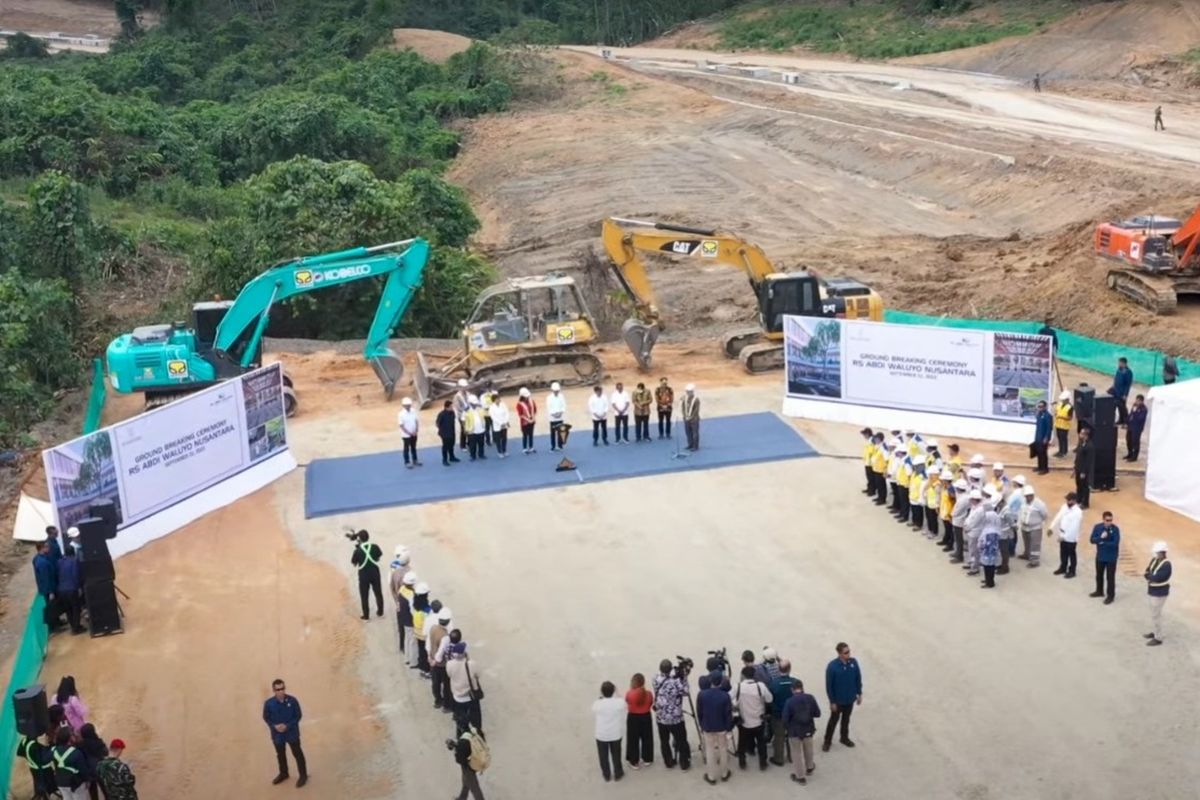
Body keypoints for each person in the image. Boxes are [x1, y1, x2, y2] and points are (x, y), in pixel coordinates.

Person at [263, 679, 307, 787]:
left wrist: (287, 726)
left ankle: (303, 775)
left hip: (292, 733)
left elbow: (298, 715)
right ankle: (284, 773)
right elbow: (266, 717)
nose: (280, 691)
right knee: (280, 754)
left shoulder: (292, 701)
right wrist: (274, 726)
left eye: (282, 689)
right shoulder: (269, 704)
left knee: (297, 754)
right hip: (278, 735)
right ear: (274, 690)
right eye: (278, 689)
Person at [650, 660, 690, 770]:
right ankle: (684, 763)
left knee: (664, 741)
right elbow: (686, 692)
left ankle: (668, 762)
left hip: (661, 717)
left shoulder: (655, 678)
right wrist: (684, 678)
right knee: (681, 740)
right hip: (676, 718)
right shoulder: (676, 682)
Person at [822, 642, 862, 752]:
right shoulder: (832, 667)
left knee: (846, 720)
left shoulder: (853, 662)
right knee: (833, 721)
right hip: (838, 701)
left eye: (849, 651)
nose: (849, 654)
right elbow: (829, 686)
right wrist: (832, 701)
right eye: (846, 652)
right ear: (839, 654)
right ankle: (827, 741)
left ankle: (844, 738)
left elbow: (858, 678)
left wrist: (859, 693)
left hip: (850, 699)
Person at [732, 665, 773, 771]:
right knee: (761, 743)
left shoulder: (738, 687)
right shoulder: (760, 686)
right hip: (759, 721)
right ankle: (763, 763)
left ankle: (742, 762)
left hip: (744, 721)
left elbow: (728, 697)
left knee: (742, 743)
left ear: (743, 676)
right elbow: (769, 699)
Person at [696, 670, 732, 785]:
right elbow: (728, 714)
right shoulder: (725, 696)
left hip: (708, 726)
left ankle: (711, 776)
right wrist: (728, 728)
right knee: (723, 749)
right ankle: (724, 773)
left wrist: (702, 724)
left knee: (710, 750)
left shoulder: (702, 694)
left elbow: (699, 712)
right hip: (721, 727)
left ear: (710, 680)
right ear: (721, 681)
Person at [783, 680, 821, 785]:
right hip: (808, 729)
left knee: (796, 753)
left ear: (792, 690)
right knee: (808, 749)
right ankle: (809, 768)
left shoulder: (789, 702)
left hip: (795, 731)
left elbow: (785, 719)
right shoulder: (810, 698)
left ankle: (800, 777)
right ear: (802, 688)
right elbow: (818, 714)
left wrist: (788, 728)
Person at [446, 637, 484, 734]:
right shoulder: (471, 664)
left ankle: (462, 734)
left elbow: (449, 675)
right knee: (475, 718)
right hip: (470, 696)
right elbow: (478, 675)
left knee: (461, 719)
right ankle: (477, 734)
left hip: (457, 697)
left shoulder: (449, 664)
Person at [592, 681, 625, 782]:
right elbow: (623, 702)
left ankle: (606, 774)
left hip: (601, 735)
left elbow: (594, 708)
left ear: (602, 692)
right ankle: (618, 773)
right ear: (613, 691)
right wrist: (617, 692)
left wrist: (601, 696)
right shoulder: (619, 702)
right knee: (616, 754)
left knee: (603, 756)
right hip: (615, 734)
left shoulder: (597, 704)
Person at [768, 658, 798, 766]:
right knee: (792, 736)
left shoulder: (773, 684)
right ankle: (792, 756)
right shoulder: (795, 682)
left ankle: (779, 758)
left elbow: (769, 700)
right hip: (792, 715)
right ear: (789, 669)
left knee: (779, 737)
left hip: (778, 715)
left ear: (778, 669)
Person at [350, 530, 384, 620]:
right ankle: (380, 611)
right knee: (378, 592)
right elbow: (377, 558)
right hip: (375, 572)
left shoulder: (357, 551)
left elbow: (354, 564)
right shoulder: (375, 547)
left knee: (364, 595)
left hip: (364, 574)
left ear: (360, 539)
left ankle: (366, 615)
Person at [1049, 492, 1083, 579]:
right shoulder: (1064, 507)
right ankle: (1063, 567)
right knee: (1063, 552)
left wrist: (1064, 537)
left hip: (1071, 536)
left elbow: (1074, 527)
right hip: (1062, 532)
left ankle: (1072, 571)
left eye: (1069, 500)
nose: (1067, 501)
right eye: (1067, 499)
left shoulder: (1078, 512)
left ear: (1074, 501)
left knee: (1071, 554)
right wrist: (1051, 527)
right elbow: (1058, 516)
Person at [1089, 512, 1120, 604]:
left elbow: (1115, 543)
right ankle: (1099, 591)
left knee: (1110, 578)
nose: (1109, 522)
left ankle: (1110, 596)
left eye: (1111, 520)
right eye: (1107, 520)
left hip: (1111, 558)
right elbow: (1092, 540)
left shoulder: (1115, 529)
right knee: (1099, 575)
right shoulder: (1097, 527)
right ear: (1103, 520)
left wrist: (1103, 543)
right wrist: (1100, 538)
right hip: (1100, 556)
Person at [50, 727, 90, 800]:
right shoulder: (76, 753)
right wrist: (87, 780)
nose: (74, 735)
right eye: (72, 734)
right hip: (75, 783)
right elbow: (83, 769)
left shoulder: (54, 750)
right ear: (69, 738)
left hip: (60, 782)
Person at [1144, 541, 1171, 646]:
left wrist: (1149, 577)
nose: (1155, 554)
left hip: (1160, 593)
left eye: (1156, 552)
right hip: (1152, 591)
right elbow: (1147, 571)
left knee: (1156, 615)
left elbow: (1158, 578)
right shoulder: (1154, 560)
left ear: (1162, 552)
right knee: (1154, 614)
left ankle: (1158, 638)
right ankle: (1155, 632)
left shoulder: (1167, 564)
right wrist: (1149, 576)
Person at [624, 674, 653, 770]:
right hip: (646, 716)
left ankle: (634, 761)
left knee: (633, 740)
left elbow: (627, 701)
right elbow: (650, 703)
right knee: (647, 738)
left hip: (633, 718)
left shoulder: (630, 693)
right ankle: (647, 758)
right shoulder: (649, 694)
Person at [452, 724, 487, 800]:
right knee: (466, 780)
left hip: (468, 765)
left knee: (474, 787)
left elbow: (459, 759)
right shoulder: (474, 733)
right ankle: (462, 797)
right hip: (476, 760)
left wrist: (456, 749)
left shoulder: (463, 740)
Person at [56, 546, 85, 635]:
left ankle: (73, 626)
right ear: (73, 553)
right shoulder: (74, 561)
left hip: (61, 589)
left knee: (68, 609)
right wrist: (79, 587)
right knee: (76, 608)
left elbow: (58, 574)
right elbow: (75, 575)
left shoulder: (59, 562)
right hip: (72, 588)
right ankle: (76, 628)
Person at [1018, 484, 1049, 567]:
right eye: (1027, 496)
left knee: (1035, 544)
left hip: (1035, 527)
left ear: (1033, 495)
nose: (1028, 498)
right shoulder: (1023, 502)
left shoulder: (1039, 504)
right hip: (1025, 526)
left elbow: (1045, 514)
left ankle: (1034, 560)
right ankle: (1027, 554)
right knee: (1026, 542)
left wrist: (1040, 522)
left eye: (1030, 496)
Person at [429, 606, 453, 710]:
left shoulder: (433, 628)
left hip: (432, 659)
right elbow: (441, 652)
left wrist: (429, 657)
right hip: (441, 664)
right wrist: (435, 661)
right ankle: (447, 705)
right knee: (446, 685)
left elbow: (429, 643)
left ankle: (437, 701)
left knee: (435, 683)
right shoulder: (445, 636)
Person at [33, 541, 60, 633]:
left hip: (47, 587)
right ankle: (53, 627)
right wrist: (51, 591)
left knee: (54, 606)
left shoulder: (38, 558)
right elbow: (46, 578)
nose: (49, 548)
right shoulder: (42, 562)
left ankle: (57, 622)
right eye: (47, 547)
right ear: (42, 548)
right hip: (48, 589)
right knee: (51, 607)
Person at [978, 492, 1004, 588]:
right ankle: (989, 580)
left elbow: (982, 543)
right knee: (991, 566)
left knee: (987, 567)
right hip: (993, 550)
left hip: (987, 551)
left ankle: (989, 583)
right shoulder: (995, 518)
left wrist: (980, 547)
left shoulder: (987, 529)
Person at [77, 723, 107, 800]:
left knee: (93, 793)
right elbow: (106, 753)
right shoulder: (98, 742)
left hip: (89, 771)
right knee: (105, 790)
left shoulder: (80, 745)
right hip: (101, 769)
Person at [411, 582, 432, 675]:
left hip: (417, 633)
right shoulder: (427, 610)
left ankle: (422, 666)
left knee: (421, 650)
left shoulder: (414, 605)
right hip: (425, 635)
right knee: (426, 652)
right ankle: (426, 670)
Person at [399, 571, 419, 666]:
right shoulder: (411, 595)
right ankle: (413, 661)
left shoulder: (402, 589)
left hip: (403, 618)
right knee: (413, 641)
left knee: (407, 639)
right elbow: (413, 610)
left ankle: (407, 658)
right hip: (410, 620)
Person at [949, 478, 971, 563]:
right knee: (957, 538)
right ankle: (957, 552)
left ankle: (959, 556)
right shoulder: (963, 496)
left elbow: (957, 511)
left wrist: (951, 515)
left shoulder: (963, 499)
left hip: (959, 520)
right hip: (959, 519)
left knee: (959, 539)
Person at [398, 396, 422, 468]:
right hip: (406, 435)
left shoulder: (413, 411)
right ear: (403, 406)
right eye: (407, 405)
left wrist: (416, 430)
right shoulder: (401, 414)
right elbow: (401, 426)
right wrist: (409, 433)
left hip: (414, 433)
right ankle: (407, 462)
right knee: (406, 448)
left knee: (413, 447)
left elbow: (416, 420)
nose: (408, 406)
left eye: (409, 405)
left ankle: (415, 460)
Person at [1074, 427, 1095, 509]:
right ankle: (1079, 499)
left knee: (1084, 486)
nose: (1080, 435)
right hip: (1078, 468)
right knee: (1078, 484)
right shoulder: (1081, 443)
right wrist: (1075, 466)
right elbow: (1078, 456)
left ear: (1086, 436)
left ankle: (1085, 503)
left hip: (1084, 470)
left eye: (1082, 434)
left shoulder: (1089, 446)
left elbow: (1088, 461)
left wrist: (1083, 472)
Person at [1110, 357, 1133, 425]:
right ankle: (1120, 420)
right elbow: (1116, 379)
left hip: (1122, 393)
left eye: (1120, 363)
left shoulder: (1128, 372)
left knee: (1122, 408)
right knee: (1116, 406)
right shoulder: (1119, 369)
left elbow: (1128, 384)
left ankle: (1126, 421)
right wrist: (1113, 386)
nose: (1118, 364)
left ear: (1124, 363)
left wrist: (1125, 395)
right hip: (1116, 391)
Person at [436, 400, 461, 467]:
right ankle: (444, 460)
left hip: (452, 432)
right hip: (445, 434)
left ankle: (452, 457)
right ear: (447, 407)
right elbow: (437, 424)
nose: (452, 407)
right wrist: (443, 430)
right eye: (451, 406)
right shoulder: (441, 414)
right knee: (445, 447)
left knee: (451, 445)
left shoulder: (452, 413)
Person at [1125, 394, 1147, 461]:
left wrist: (1135, 413)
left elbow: (1140, 418)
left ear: (1141, 401)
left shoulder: (1144, 409)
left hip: (1137, 428)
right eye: (1136, 400)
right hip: (1131, 426)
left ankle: (1134, 457)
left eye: (1138, 401)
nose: (1136, 402)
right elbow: (1131, 415)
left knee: (1135, 441)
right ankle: (1130, 453)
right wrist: (1127, 421)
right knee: (1129, 440)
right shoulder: (1134, 406)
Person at [488, 392, 511, 458]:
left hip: (504, 424)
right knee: (498, 439)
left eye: (499, 398)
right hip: (497, 425)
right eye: (497, 399)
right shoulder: (491, 407)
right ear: (494, 400)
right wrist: (500, 423)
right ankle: (499, 452)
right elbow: (493, 417)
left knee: (504, 438)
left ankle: (504, 450)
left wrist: (505, 421)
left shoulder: (503, 404)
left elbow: (507, 412)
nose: (499, 400)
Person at [465, 395, 487, 461]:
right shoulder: (467, 411)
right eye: (474, 403)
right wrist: (466, 429)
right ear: (470, 403)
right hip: (472, 431)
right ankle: (473, 455)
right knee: (472, 445)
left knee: (481, 443)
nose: (475, 404)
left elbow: (484, 415)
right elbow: (465, 421)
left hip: (481, 429)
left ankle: (481, 454)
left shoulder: (480, 409)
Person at [1033, 400, 1052, 474]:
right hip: (1038, 437)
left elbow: (1049, 428)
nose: (1040, 408)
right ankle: (1039, 467)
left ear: (1045, 407)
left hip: (1043, 438)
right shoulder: (1039, 414)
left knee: (1043, 453)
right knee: (1038, 453)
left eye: (1041, 406)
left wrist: (1046, 438)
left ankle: (1045, 469)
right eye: (1039, 406)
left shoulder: (1048, 416)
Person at [547, 382, 567, 451]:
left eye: (557, 390)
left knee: (560, 432)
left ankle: (560, 445)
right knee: (552, 433)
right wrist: (554, 414)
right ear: (552, 390)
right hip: (552, 418)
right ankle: (553, 446)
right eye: (555, 391)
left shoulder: (561, 396)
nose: (556, 392)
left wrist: (560, 413)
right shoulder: (549, 398)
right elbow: (549, 408)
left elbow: (564, 405)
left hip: (560, 417)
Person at [516, 387, 537, 453]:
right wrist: (528, 420)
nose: (527, 397)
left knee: (531, 434)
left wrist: (533, 418)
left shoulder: (531, 401)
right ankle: (524, 448)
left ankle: (531, 447)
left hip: (532, 420)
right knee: (525, 435)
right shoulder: (519, 404)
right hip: (524, 422)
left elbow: (535, 410)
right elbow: (520, 414)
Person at [1053, 391, 1073, 457]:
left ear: (1067, 400)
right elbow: (1057, 411)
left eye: (1064, 400)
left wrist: (1061, 417)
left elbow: (1070, 418)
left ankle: (1064, 452)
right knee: (1059, 438)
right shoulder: (1060, 404)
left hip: (1065, 426)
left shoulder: (1070, 407)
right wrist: (1056, 413)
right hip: (1058, 424)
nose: (1062, 401)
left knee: (1063, 438)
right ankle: (1060, 451)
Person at [681, 384, 701, 451]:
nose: (688, 393)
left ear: (692, 392)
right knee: (688, 432)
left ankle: (695, 446)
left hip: (694, 419)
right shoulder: (685, 398)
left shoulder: (696, 399)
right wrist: (684, 415)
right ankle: (690, 444)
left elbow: (696, 410)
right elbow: (683, 407)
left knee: (695, 433)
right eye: (687, 391)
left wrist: (691, 417)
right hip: (686, 418)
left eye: (689, 391)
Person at [453, 378, 470, 451]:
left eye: (465, 387)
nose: (465, 388)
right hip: (462, 415)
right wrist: (464, 409)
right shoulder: (457, 396)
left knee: (470, 428)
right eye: (463, 387)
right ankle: (462, 445)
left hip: (469, 414)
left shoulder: (468, 394)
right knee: (464, 429)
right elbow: (457, 407)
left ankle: (469, 443)